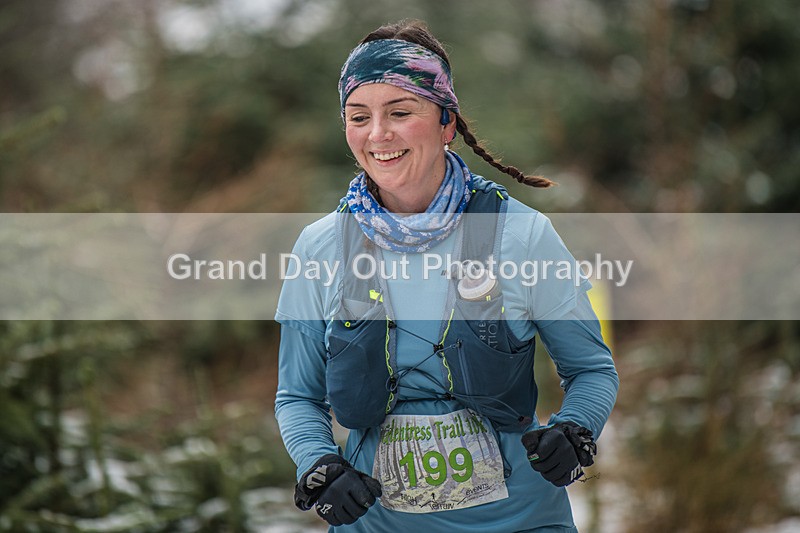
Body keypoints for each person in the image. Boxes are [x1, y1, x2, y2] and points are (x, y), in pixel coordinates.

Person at [275, 20, 618, 532]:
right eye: (358, 116)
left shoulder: (522, 234)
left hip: (521, 519)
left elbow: (592, 370)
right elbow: (298, 396)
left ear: (445, 123)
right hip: (377, 524)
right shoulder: (320, 246)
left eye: (400, 112)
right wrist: (319, 465)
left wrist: (574, 429)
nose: (377, 134)